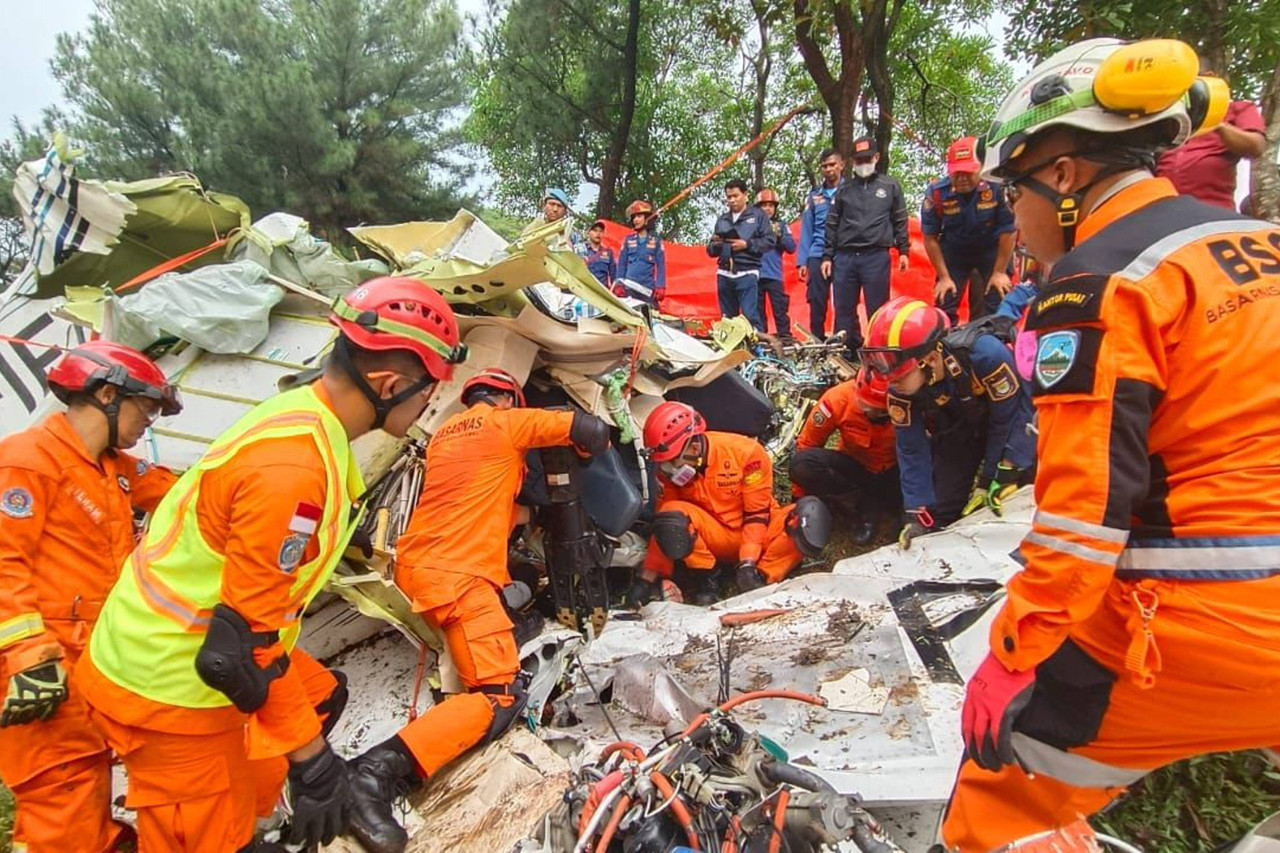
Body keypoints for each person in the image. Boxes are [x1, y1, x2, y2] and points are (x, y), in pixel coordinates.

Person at [936, 37, 1280, 851]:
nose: (1009, 219)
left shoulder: (1100, 279)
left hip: (1204, 619)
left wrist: (1015, 652)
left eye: (1011, 190)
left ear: (1061, 174)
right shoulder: (1256, 244)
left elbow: (1082, 516)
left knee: (996, 793)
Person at [74, 276, 467, 852]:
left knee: (315, 697)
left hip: (187, 652)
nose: (429, 406)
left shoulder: (302, 418)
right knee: (201, 837)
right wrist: (314, 764)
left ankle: (254, 816)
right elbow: (238, 649)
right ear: (390, 383)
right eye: (427, 392)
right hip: (169, 686)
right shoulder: (294, 469)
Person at [345, 368, 609, 853]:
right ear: (508, 398)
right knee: (500, 696)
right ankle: (374, 775)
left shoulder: (446, 436)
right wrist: (590, 457)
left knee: (516, 590)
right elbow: (587, 429)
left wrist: (539, 517)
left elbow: (486, 502)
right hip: (458, 578)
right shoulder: (506, 424)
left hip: (420, 565)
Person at [0, 342, 179, 853]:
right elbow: (3, 564)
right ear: (106, 394)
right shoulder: (28, 459)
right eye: (145, 406)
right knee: (63, 800)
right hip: (39, 670)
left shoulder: (110, 468)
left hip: (93, 661)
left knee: (91, 799)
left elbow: (186, 494)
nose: (150, 420)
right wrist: (29, 659)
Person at [860, 296, 1035, 548]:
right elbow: (911, 448)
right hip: (958, 429)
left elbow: (1009, 419)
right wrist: (916, 513)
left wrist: (995, 476)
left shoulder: (985, 355)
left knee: (1018, 494)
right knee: (939, 512)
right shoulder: (899, 390)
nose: (888, 379)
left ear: (930, 359)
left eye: (893, 370)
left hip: (1010, 422)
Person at [628, 402, 829, 606]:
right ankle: (708, 577)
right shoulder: (667, 473)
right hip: (715, 537)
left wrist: (748, 561)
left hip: (759, 531)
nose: (666, 469)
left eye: (671, 461)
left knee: (808, 517)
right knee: (670, 514)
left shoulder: (746, 453)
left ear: (694, 448)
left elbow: (757, 515)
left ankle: (762, 578)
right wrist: (646, 578)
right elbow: (665, 521)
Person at [820, 137, 910, 358]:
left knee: (878, 309)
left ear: (877, 157)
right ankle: (846, 352)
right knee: (843, 310)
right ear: (852, 162)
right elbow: (832, 223)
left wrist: (904, 250)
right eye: (858, 160)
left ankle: (878, 353)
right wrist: (826, 256)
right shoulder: (844, 190)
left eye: (867, 158)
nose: (863, 163)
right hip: (845, 257)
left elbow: (900, 219)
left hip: (876, 256)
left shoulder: (890, 186)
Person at [789, 368, 897, 546]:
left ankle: (887, 507)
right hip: (855, 466)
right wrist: (798, 498)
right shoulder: (837, 399)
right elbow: (807, 444)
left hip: (895, 469)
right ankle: (857, 504)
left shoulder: (910, 402)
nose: (872, 413)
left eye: (880, 411)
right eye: (866, 406)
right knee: (803, 463)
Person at [923, 136, 1017, 324]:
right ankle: (942, 347)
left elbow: (1009, 230)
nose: (962, 178)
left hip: (991, 249)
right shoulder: (937, 193)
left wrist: (999, 272)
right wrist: (943, 277)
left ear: (980, 167)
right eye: (956, 173)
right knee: (945, 299)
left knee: (997, 297)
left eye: (968, 172)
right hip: (955, 250)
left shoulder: (997, 188)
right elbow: (930, 237)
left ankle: (997, 344)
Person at [1155, 59, 1267, 209]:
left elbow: (1256, 146)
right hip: (1166, 210)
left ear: (1209, 77)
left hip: (1214, 211)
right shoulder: (1172, 115)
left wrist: (1217, 124)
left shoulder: (1237, 109)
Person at [707, 178, 775, 331]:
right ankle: (732, 353)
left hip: (747, 272)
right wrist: (717, 245)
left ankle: (755, 352)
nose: (732, 200)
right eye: (729, 197)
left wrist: (747, 244)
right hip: (724, 273)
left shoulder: (758, 216)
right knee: (727, 320)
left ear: (745, 195)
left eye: (735, 196)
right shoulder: (722, 219)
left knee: (750, 317)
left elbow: (769, 241)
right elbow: (710, 250)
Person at [797, 149, 845, 338]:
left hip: (843, 253)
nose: (829, 169)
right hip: (817, 252)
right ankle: (817, 338)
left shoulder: (849, 191)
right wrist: (802, 261)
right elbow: (807, 229)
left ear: (841, 165)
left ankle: (842, 340)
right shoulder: (814, 196)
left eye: (832, 164)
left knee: (843, 299)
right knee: (816, 299)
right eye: (824, 166)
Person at [755, 188, 796, 337]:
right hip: (755, 274)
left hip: (774, 276)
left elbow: (791, 247)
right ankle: (761, 339)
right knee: (757, 311)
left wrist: (779, 236)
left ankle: (785, 337)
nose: (767, 208)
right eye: (764, 205)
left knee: (780, 309)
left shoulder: (781, 225)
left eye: (771, 205)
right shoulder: (751, 225)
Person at [616, 200, 667, 306]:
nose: (636, 220)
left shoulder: (656, 241)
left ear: (647, 219)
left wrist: (660, 285)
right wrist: (619, 283)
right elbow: (621, 264)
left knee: (649, 318)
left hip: (647, 289)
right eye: (634, 217)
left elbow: (661, 265)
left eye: (639, 216)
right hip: (629, 288)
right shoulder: (627, 240)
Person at [580, 219, 616, 290]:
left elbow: (613, 275)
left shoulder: (608, 253)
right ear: (588, 232)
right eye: (595, 230)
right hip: (585, 290)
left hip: (602, 292)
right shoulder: (580, 250)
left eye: (601, 231)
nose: (598, 234)